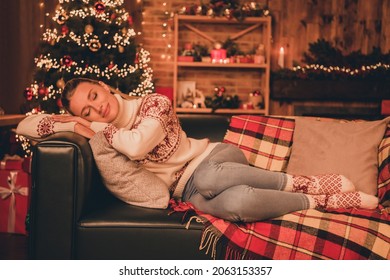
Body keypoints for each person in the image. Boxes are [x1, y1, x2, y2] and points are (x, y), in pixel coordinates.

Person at [17, 78, 379, 222]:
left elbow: (138, 143)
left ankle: (306, 182)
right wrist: (67, 122)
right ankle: (321, 201)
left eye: (94, 97)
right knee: (236, 205)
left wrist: (91, 126)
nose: (96, 110)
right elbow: (25, 125)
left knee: (209, 178)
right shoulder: (100, 125)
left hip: (214, 159)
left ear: (103, 86)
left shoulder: (154, 103)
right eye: (86, 111)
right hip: (186, 190)